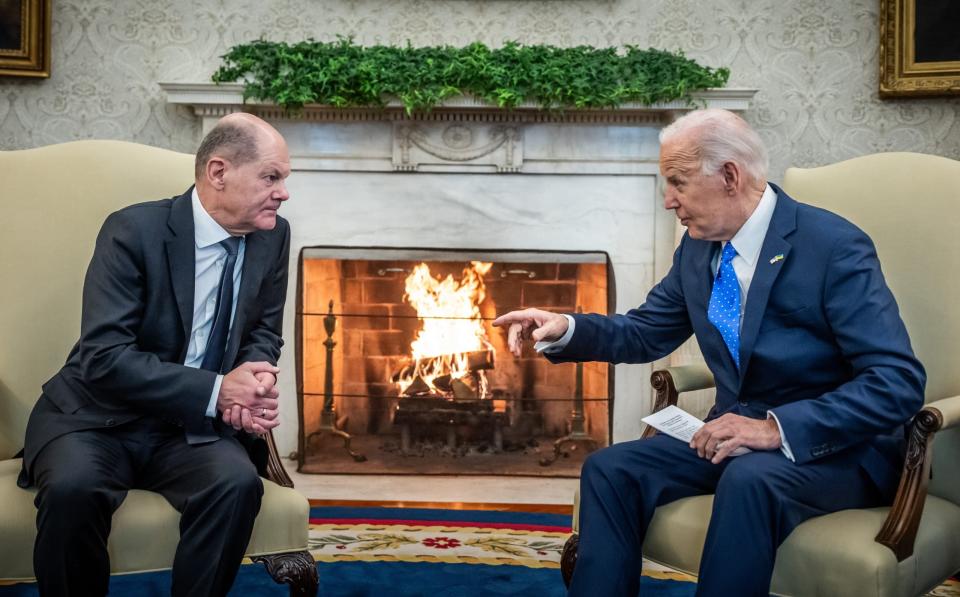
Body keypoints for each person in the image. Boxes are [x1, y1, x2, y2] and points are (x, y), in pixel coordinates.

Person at [493, 109, 925, 596]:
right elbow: (644, 332)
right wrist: (565, 328)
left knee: (749, 479)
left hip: (838, 450)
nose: (667, 200)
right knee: (611, 468)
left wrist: (772, 430)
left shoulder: (833, 246)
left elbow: (896, 381)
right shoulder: (699, 249)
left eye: (677, 182)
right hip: (731, 434)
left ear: (729, 176)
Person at [18, 112, 293, 597]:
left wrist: (252, 384)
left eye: (283, 179)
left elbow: (264, 331)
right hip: (96, 419)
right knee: (73, 490)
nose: (283, 192)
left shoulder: (273, 236)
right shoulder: (133, 230)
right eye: (271, 177)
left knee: (236, 485)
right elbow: (103, 356)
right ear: (218, 172)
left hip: (188, 430)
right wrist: (217, 389)